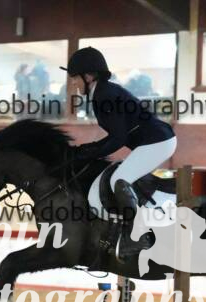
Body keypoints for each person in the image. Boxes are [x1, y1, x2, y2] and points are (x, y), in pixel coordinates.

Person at [61, 46, 176, 261]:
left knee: (119, 179)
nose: (73, 83)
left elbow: (118, 139)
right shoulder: (102, 93)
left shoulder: (104, 95)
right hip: (153, 141)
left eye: (75, 78)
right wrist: (88, 149)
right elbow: (116, 136)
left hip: (158, 141)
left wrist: (89, 153)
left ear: (89, 76)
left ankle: (138, 237)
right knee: (120, 176)